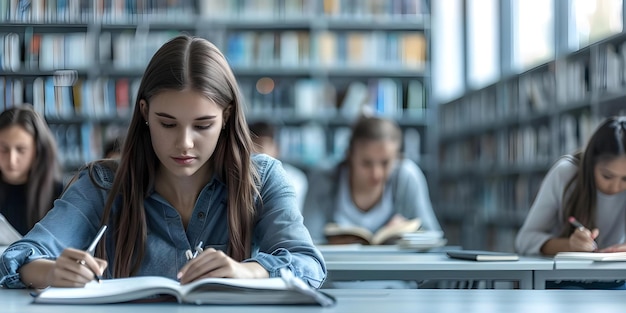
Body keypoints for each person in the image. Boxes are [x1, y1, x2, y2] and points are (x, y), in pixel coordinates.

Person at [0, 35, 326, 289]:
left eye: (202, 125)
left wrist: (249, 271)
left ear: (226, 117)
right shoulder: (102, 184)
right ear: (144, 113)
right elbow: (17, 257)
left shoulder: (263, 177)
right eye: (167, 123)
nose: (184, 142)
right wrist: (50, 271)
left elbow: (309, 265)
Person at [515, 116, 626, 289]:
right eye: (607, 176)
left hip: (617, 280)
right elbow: (524, 240)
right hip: (565, 280)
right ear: (591, 162)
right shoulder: (566, 174)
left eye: (625, 179)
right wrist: (569, 245)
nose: (615, 187)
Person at [302, 115, 442, 244]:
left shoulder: (406, 177)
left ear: (397, 158)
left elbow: (433, 236)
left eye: (385, 163)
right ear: (350, 156)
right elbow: (306, 241)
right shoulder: (324, 179)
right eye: (366, 163)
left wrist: (409, 233)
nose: (376, 173)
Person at [0, 105, 63, 237]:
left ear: (38, 150)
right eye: (3, 149)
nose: (11, 160)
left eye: (21, 150)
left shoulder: (60, 195)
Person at [248, 121, 308, 212]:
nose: (254, 151)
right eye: (251, 146)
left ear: (276, 148)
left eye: (260, 145)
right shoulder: (238, 176)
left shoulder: (294, 178)